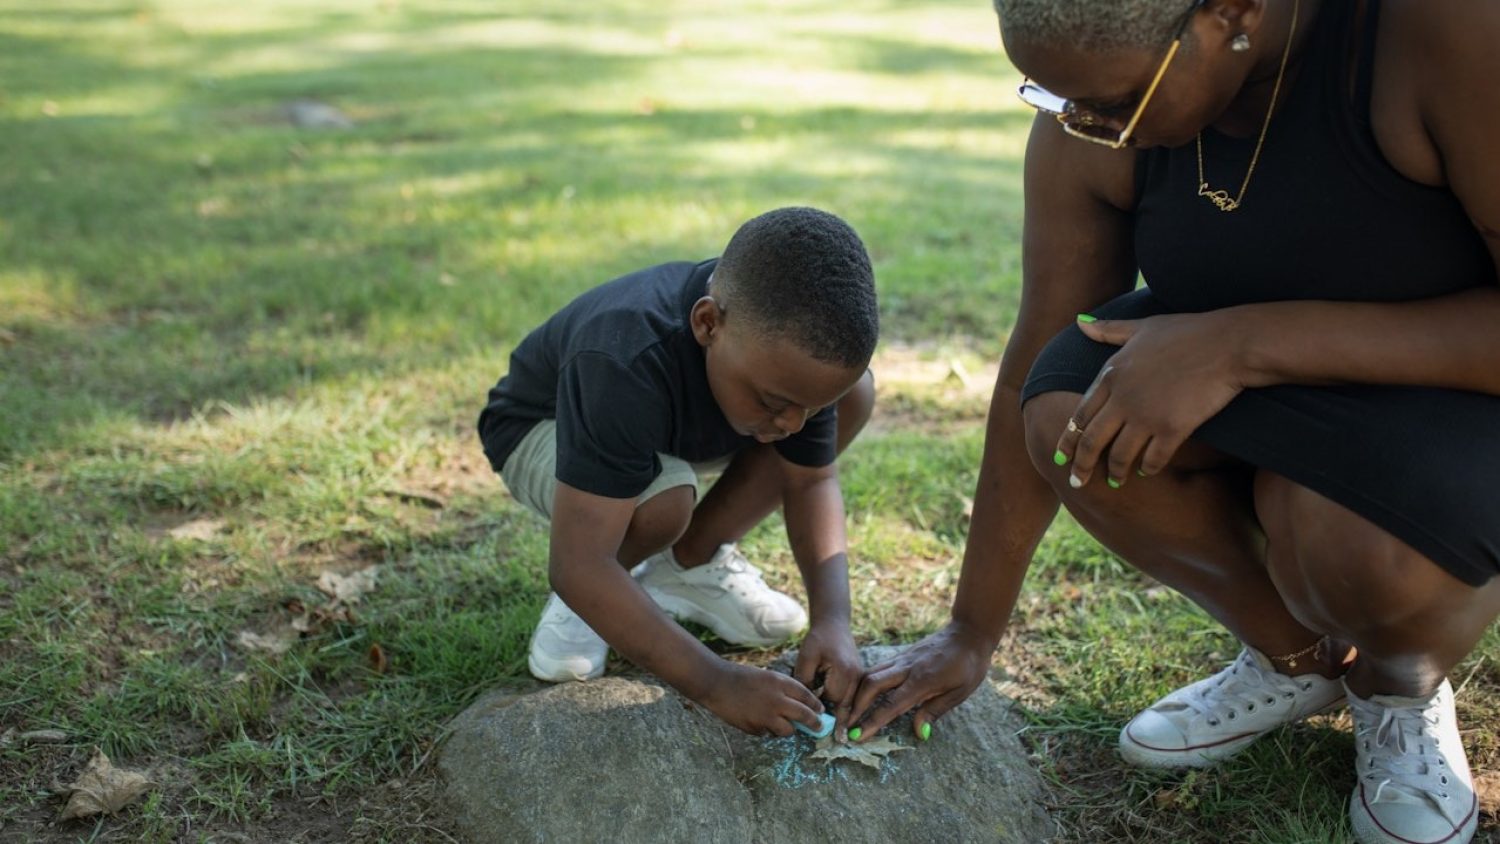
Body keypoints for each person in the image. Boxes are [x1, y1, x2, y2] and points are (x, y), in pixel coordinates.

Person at [849, 1, 1500, 842]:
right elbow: (1039, 343)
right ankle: (1298, 660)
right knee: (1065, 415)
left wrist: (1239, 345)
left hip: (1447, 391)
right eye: (1056, 101)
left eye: (1114, 103)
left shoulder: (1440, 31)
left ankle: (1395, 687)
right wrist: (972, 630)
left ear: (1234, 13)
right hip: (1254, 384)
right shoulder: (1092, 117)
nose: (1087, 126)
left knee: (1351, 550)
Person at [478, 206, 880, 737]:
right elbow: (576, 563)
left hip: (673, 427)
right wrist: (717, 682)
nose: (793, 424)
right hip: (543, 427)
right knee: (663, 503)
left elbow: (811, 479)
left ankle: (686, 566)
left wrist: (834, 620)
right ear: (707, 322)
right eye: (776, 401)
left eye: (808, 408)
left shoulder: (774, 355)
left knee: (855, 397)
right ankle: (599, 599)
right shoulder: (622, 357)